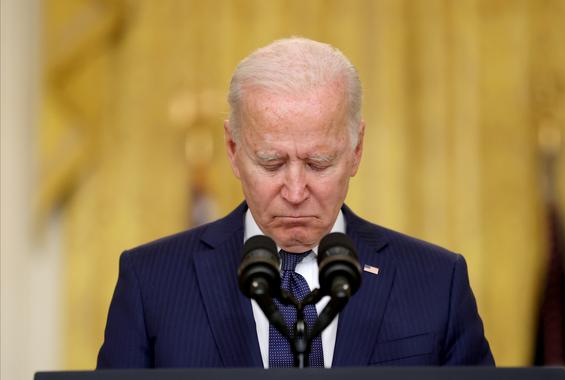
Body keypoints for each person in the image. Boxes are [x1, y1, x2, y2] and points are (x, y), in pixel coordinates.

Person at [97, 37, 494, 368]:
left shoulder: (437, 282)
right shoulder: (151, 283)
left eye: (317, 163)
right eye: (271, 162)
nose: (295, 190)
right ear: (233, 150)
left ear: (357, 151)